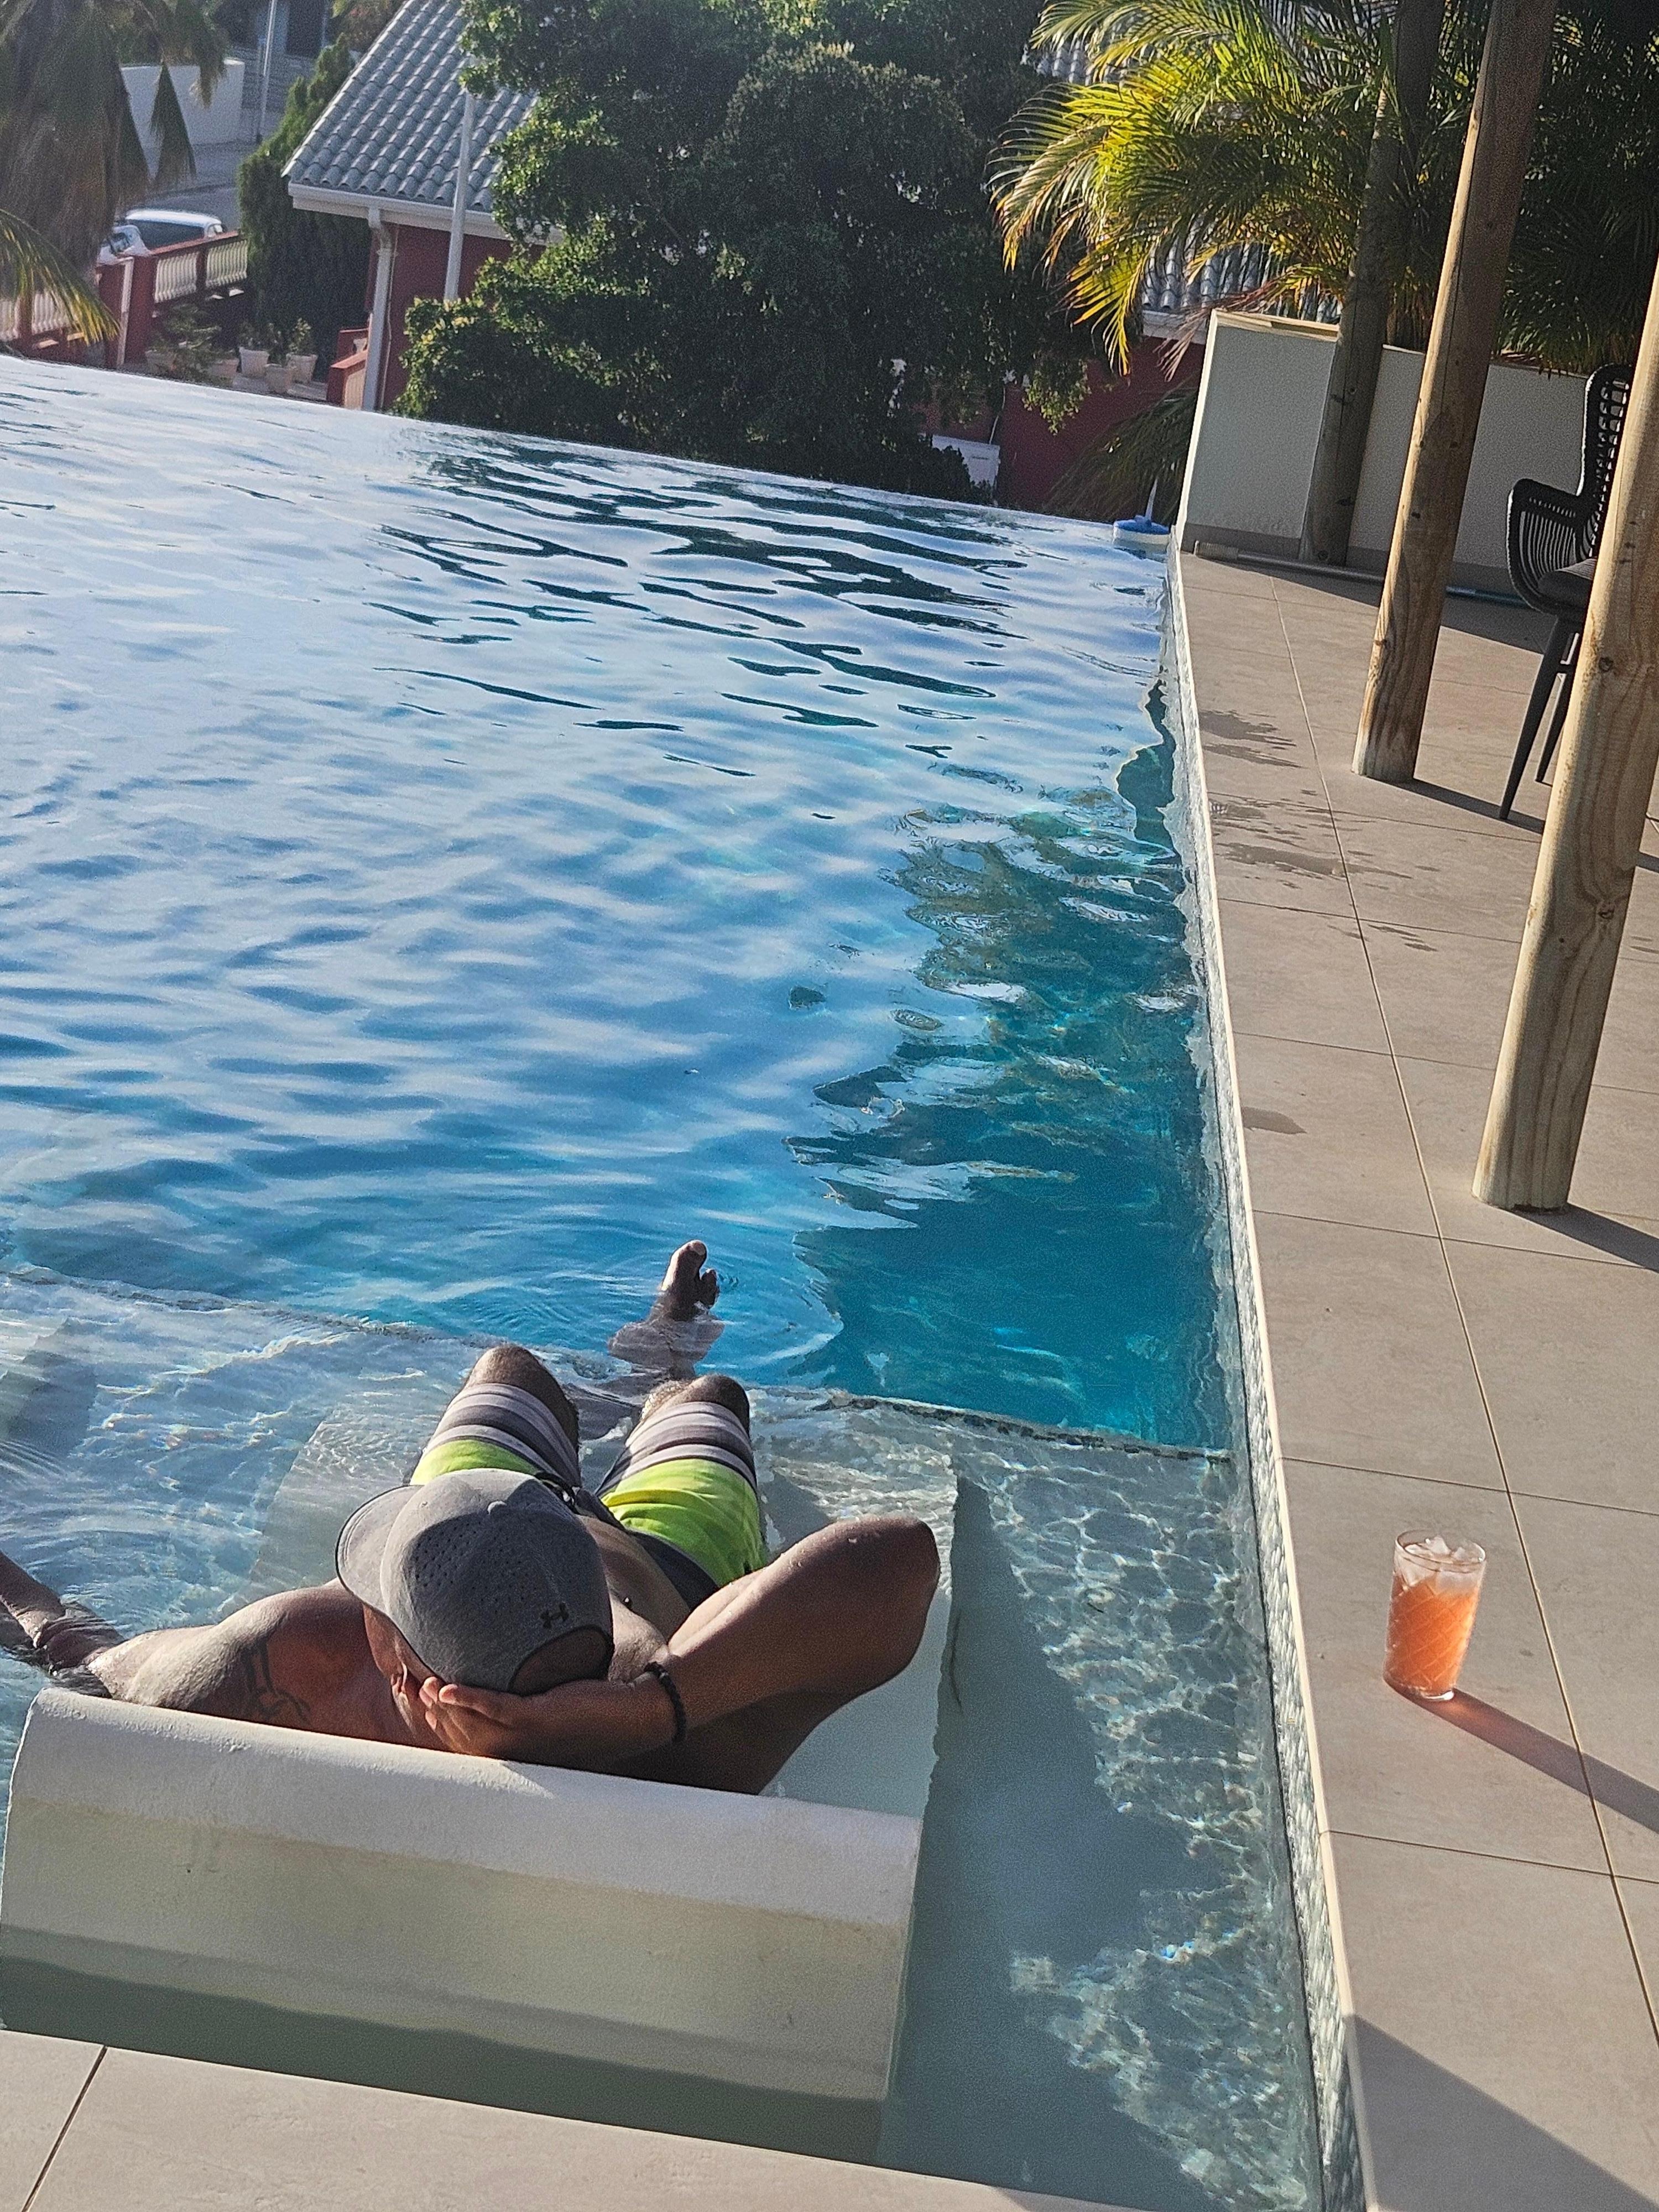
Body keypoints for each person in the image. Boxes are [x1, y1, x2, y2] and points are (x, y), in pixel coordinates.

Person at [0, 1244, 937, 1794]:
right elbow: (897, 1559)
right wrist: (651, 1707)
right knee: (664, 1392)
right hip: (657, 1567)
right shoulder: (698, 1720)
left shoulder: (298, 1658)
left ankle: (654, 1375)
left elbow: (81, 1653)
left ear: (406, 1672)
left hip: (626, 1551)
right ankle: (656, 1362)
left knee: (542, 1379)